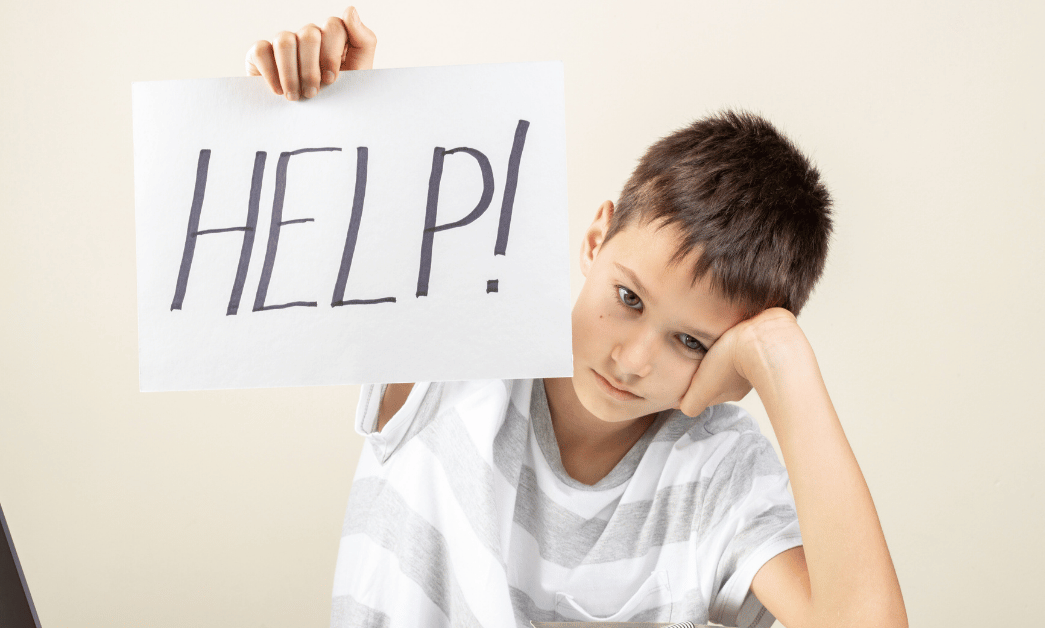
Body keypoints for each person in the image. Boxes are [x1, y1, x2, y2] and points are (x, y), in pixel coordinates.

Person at [248, 8, 907, 628]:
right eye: (629, 299)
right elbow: (364, 223)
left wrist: (784, 363)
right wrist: (336, 106)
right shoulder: (464, 343)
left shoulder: (720, 472)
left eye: (690, 341)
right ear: (596, 238)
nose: (634, 360)